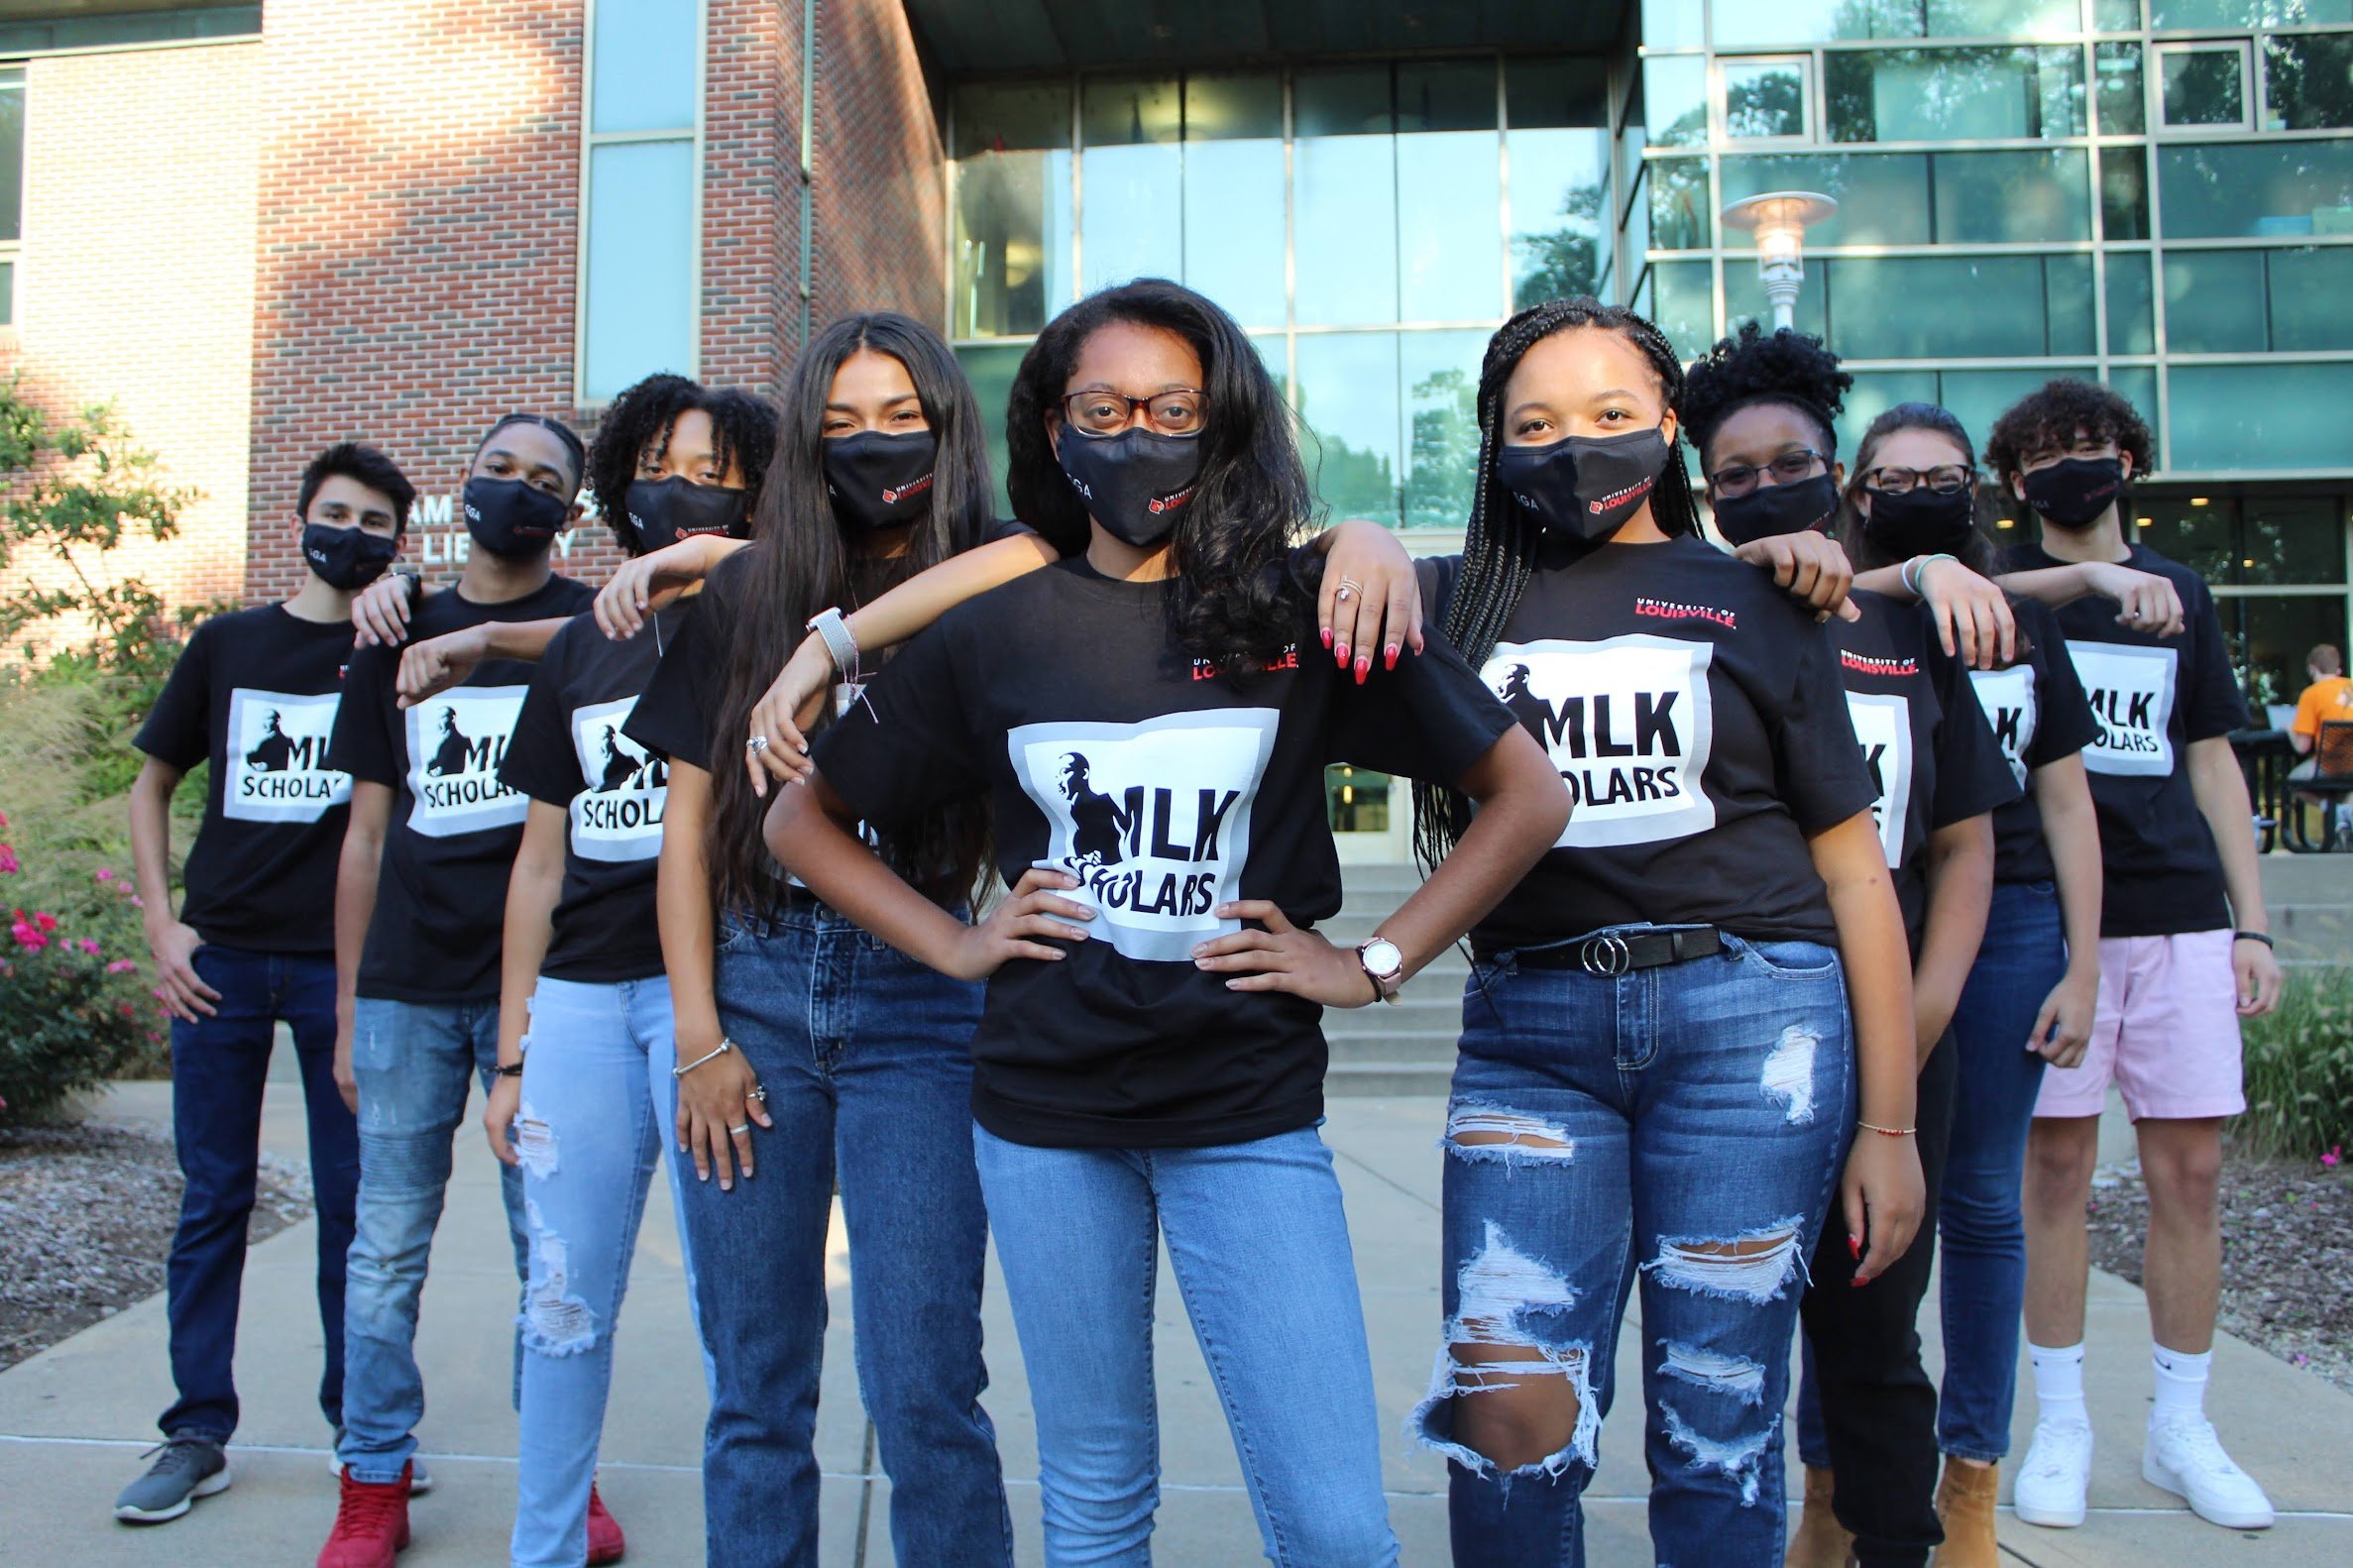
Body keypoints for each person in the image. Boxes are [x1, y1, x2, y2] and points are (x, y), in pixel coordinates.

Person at [765, 280, 1568, 1568]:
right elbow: (798, 821)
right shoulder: (994, 630)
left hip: (1241, 1109)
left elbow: (1525, 793)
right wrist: (961, 943)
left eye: (1172, 407)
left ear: (1223, 421)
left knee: (1329, 1522)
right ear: (1050, 426)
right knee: (1091, 1493)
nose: (1138, 432)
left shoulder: (1298, 606)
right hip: (1042, 1116)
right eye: (1103, 406)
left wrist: (1370, 960)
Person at [1372, 299, 1918, 1568]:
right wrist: (1355, 532)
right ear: (1494, 450)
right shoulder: (1454, 602)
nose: (1578, 447)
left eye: (1613, 416)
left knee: (1718, 1422)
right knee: (1506, 1416)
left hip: (1752, 1032)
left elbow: (1857, 885)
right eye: (1537, 425)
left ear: (1670, 427)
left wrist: (1887, 1129)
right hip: (1530, 1036)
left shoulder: (1759, 596)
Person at [619, 313, 1035, 1568]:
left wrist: (836, 644)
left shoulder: (1001, 574)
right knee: (756, 1392)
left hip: (921, 1003)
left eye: (902, 417)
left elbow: (1051, 551)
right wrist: (698, 1040)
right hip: (750, 995)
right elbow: (684, 831)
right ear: (803, 443)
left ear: (950, 425)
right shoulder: (747, 588)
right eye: (841, 424)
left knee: (925, 1390)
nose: (874, 446)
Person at [1681, 329, 2023, 1568]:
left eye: (1792, 462)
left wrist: (1912, 1027)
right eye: (1734, 472)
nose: (1766, 487)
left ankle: (1893, 1543)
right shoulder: (1693, 618)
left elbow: (1968, 848)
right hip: (1730, 1045)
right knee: (1718, 1336)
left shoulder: (1906, 621)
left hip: (1896, 1041)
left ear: (1839, 471)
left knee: (1876, 1338)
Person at [485, 373, 776, 1568]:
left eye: (716, 469)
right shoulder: (576, 653)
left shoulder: (769, 620)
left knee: (738, 1316)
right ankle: (543, 1548)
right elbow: (537, 866)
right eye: (663, 460)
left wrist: (697, 562)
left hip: (714, 1000)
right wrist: (510, 1051)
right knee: (560, 1302)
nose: (687, 486)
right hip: (579, 1006)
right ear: (621, 480)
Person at [1988, 379, 2283, 1535]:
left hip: (2180, 920)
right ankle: (2060, 1423)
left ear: (2128, 457)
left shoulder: (2183, 594)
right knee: (2052, 1174)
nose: (2075, 463)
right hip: (2056, 925)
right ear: (2016, 480)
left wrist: (2249, 922)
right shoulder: (2005, 591)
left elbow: (2210, 759)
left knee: (2189, 1175)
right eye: (2049, 451)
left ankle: (2181, 1426)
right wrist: (2086, 581)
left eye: (2092, 444)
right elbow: (1937, 601)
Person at [314, 413, 598, 1568]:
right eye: (497, 471)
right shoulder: (398, 628)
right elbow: (365, 837)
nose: (515, 493)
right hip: (407, 987)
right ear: (462, 485)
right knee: (386, 1244)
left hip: (549, 990)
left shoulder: (591, 627)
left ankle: (560, 1486)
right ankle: (372, 1480)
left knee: (553, 1251)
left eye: (543, 482)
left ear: (570, 515)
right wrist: (346, 1009)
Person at [112, 444, 412, 1525]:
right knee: (214, 1197)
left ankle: (362, 1431)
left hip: (345, 971)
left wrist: (408, 600)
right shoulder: (228, 643)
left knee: (355, 1207)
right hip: (224, 963)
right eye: (336, 512)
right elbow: (150, 787)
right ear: (299, 518)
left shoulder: (399, 647)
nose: (353, 532)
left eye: (377, 521)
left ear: (397, 541)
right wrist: (161, 925)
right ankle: (197, 1428)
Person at [1856, 404, 2107, 1568]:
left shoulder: (2016, 623)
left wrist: (2084, 962)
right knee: (1851, 1220)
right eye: (1892, 475)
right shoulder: (1841, 609)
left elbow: (2065, 802)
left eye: (1941, 477)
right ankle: (1835, 1483)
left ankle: (1971, 1480)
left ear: (1976, 492)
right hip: (1871, 911)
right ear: (1857, 494)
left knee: (1983, 1203)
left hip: (2006, 926)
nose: (1918, 490)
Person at [2287, 643, 2353, 843]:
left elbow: (2302, 747)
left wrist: (2289, 731)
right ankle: (2343, 815)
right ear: (2338, 669)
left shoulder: (2311, 694)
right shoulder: (2350, 686)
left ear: (2312, 668)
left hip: (2329, 764)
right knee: (2348, 788)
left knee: (2294, 782)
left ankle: (2329, 808)